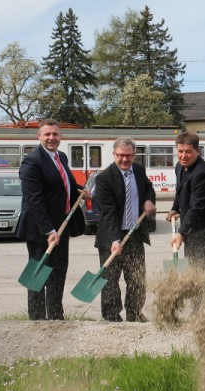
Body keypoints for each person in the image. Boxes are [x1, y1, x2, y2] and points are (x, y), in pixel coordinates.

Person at [17, 118, 86, 320]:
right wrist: (48, 230)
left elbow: (63, 187)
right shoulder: (32, 162)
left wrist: (80, 191)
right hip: (41, 231)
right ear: (39, 137)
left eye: (55, 134)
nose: (51, 138)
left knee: (58, 273)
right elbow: (34, 200)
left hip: (62, 227)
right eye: (47, 134)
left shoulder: (61, 157)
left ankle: (56, 317)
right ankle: (37, 319)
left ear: (61, 136)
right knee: (38, 276)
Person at [94, 137, 156, 322]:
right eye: (120, 155)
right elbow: (108, 213)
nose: (124, 159)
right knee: (110, 280)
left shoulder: (138, 170)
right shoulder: (104, 178)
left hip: (135, 235)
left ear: (134, 155)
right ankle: (112, 316)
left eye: (128, 155)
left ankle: (135, 313)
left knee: (137, 278)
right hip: (112, 236)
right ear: (114, 154)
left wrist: (148, 199)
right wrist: (114, 240)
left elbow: (148, 188)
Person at [166, 131, 205, 268]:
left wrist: (181, 233)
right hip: (191, 229)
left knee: (202, 273)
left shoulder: (202, 174)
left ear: (197, 151)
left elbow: (197, 208)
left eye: (188, 152)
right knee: (190, 267)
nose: (183, 156)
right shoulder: (180, 166)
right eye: (180, 151)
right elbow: (180, 190)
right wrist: (175, 207)